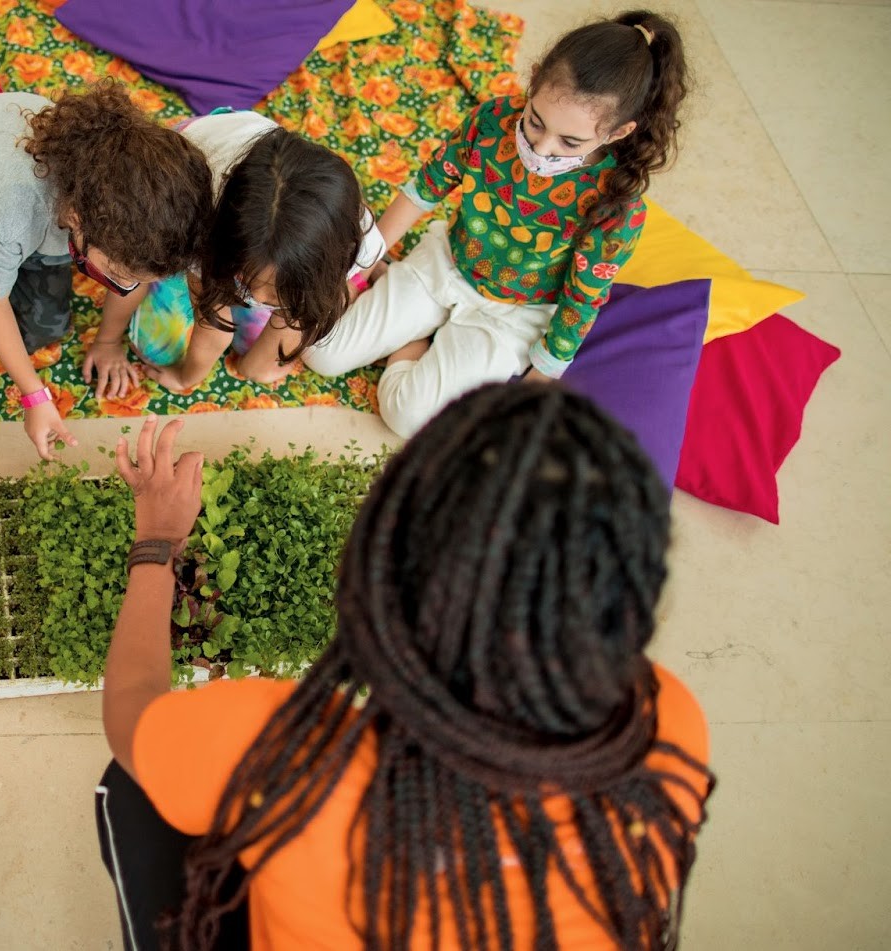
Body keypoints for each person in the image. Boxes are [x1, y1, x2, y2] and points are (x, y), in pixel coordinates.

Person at [96, 385, 714, 950]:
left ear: (376, 582)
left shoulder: (279, 754)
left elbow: (130, 701)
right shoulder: (665, 728)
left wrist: (157, 542)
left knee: (131, 788)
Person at [303, 11, 689, 438]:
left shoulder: (616, 204)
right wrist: (360, 261)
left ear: (619, 132)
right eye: (536, 121)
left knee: (408, 419)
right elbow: (426, 188)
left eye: (570, 142)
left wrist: (535, 388)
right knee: (322, 353)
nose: (541, 148)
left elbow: (582, 301)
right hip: (446, 264)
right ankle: (407, 313)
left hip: (514, 316)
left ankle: (410, 345)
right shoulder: (492, 121)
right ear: (534, 78)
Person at [0, 81, 213, 459]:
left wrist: (108, 342)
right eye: (117, 274)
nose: (129, 287)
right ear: (76, 217)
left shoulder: (153, 200)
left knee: (45, 331)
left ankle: (36, 261)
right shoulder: (7, 213)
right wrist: (35, 397)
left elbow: (134, 274)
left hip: (46, 224)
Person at [86, 111, 387, 395]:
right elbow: (212, 326)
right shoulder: (199, 219)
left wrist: (257, 365)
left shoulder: (357, 242)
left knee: (262, 349)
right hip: (189, 177)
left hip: (246, 203)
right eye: (245, 276)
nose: (255, 296)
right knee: (155, 347)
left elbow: (284, 333)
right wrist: (180, 375)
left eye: (271, 297)